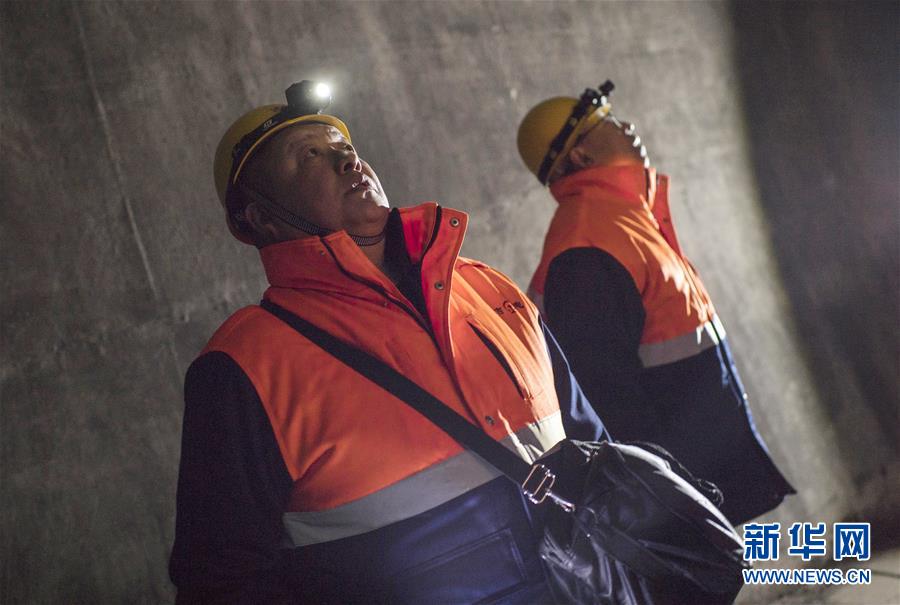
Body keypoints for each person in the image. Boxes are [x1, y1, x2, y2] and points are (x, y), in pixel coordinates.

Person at [169, 81, 607, 604]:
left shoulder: (486, 288)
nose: (347, 160)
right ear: (259, 217)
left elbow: (596, 449)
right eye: (309, 155)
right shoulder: (243, 368)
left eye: (343, 146)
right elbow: (222, 583)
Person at [516, 81, 794, 525]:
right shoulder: (586, 247)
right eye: (606, 123)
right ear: (581, 157)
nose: (626, 126)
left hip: (701, 474)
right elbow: (608, 396)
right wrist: (668, 506)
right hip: (678, 493)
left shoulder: (625, 220)